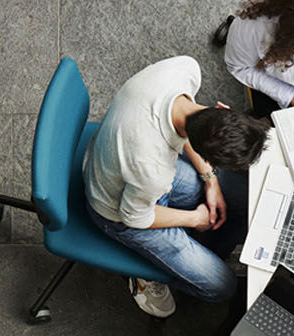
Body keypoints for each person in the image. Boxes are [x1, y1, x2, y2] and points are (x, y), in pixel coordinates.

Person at [84, 55, 271, 318]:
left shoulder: (185, 70)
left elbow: (189, 128)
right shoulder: (152, 169)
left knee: (243, 198)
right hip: (115, 208)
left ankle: (196, 250)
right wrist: (195, 218)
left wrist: (211, 179)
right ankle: (146, 275)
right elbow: (134, 217)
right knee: (222, 287)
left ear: (222, 108)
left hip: (126, 159)